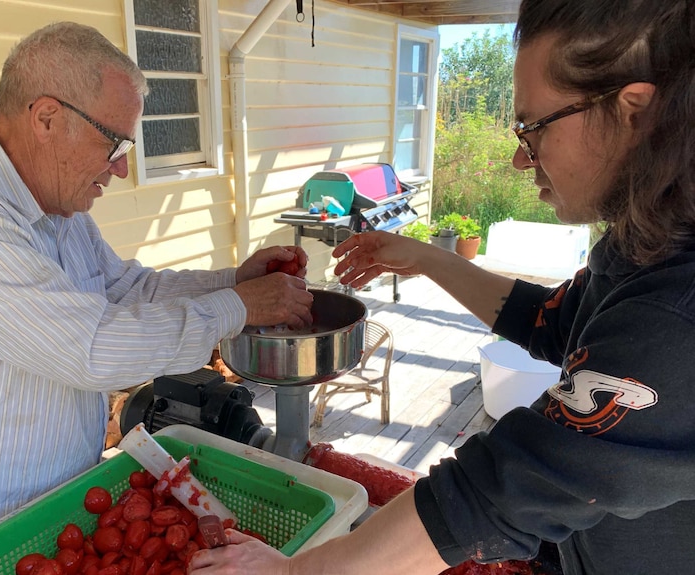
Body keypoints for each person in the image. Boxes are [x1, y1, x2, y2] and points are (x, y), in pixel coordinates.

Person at [188, 0, 695, 573]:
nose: (517, 159)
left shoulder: (678, 312)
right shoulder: (645, 243)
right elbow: (554, 323)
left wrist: (292, 571)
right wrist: (429, 260)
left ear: (634, 112)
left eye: (534, 129)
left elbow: (501, 490)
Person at [0, 22, 313, 566]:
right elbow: (90, 349)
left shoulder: (58, 209)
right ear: (46, 119)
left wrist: (233, 280)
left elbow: (129, 289)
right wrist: (240, 307)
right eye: (114, 141)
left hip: (58, 505)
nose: (123, 165)